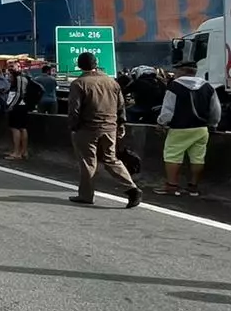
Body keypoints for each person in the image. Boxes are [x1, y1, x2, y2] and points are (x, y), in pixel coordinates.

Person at [67, 51, 140, 208]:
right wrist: (121, 124)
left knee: (88, 162)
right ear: (96, 64)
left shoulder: (79, 83)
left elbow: (75, 109)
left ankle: (86, 195)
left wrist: (73, 127)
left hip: (87, 128)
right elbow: (121, 106)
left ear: (80, 65)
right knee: (111, 159)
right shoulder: (111, 82)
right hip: (110, 127)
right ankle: (131, 188)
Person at [156, 59, 223, 196]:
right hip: (201, 129)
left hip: (180, 128)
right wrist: (213, 124)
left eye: (176, 70)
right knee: (198, 158)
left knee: (172, 156)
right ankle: (193, 187)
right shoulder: (207, 87)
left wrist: (161, 122)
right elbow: (215, 109)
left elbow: (168, 109)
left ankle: (172, 186)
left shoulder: (174, 86)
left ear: (182, 71)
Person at [7, 66, 42, 161]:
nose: (8, 76)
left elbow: (19, 93)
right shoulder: (27, 78)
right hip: (24, 106)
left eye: (9, 74)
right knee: (23, 128)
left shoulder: (19, 79)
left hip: (18, 107)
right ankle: (24, 151)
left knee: (15, 128)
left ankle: (16, 152)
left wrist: (12, 105)